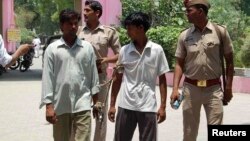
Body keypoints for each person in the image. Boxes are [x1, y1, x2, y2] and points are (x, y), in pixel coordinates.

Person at [170, 0, 234, 141]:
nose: (186, 13)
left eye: (189, 11)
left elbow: (230, 62)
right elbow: (179, 63)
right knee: (189, 133)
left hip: (214, 90)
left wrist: (228, 88)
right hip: (191, 89)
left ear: (200, 11)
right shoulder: (184, 35)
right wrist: (175, 89)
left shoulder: (220, 32)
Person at [108, 12, 170, 141]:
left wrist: (163, 107)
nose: (127, 32)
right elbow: (117, 79)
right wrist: (112, 105)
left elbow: (162, 79)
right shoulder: (124, 51)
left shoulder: (156, 50)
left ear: (141, 28)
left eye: (130, 28)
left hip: (148, 106)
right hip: (126, 105)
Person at [40, 9, 100, 141]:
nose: (73, 27)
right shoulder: (52, 49)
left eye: (75, 23)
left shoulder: (87, 48)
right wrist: (49, 107)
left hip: (83, 104)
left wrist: (96, 102)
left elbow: (93, 77)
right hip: (61, 105)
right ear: (61, 26)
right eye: (69, 24)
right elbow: (47, 79)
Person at [77, 1, 121, 141]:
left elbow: (121, 55)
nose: (84, 13)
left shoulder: (109, 32)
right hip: (80, 79)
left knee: (99, 113)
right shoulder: (78, 31)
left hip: (100, 79)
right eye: (84, 10)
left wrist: (106, 60)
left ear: (97, 13)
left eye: (87, 10)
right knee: (79, 113)